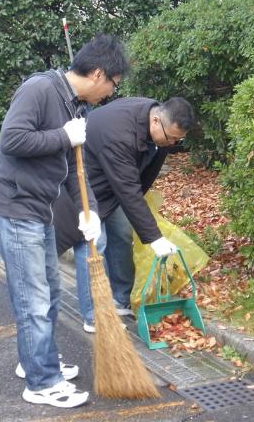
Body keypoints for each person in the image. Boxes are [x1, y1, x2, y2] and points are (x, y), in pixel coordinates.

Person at [0, 33, 128, 408]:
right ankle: (42, 382)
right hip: (15, 209)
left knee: (47, 293)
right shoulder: (40, 90)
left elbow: (71, 170)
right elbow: (12, 140)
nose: (111, 93)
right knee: (33, 299)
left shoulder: (72, 105)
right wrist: (62, 137)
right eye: (113, 84)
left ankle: (36, 361)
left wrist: (90, 209)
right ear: (99, 74)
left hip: (40, 211)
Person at [53, 97, 195, 331]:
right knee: (95, 243)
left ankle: (120, 298)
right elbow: (128, 190)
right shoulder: (120, 132)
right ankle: (95, 315)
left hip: (116, 183)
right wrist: (155, 238)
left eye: (178, 140)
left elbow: (141, 180)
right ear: (156, 121)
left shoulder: (158, 129)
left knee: (121, 232)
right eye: (171, 138)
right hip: (86, 183)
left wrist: (140, 204)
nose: (172, 143)